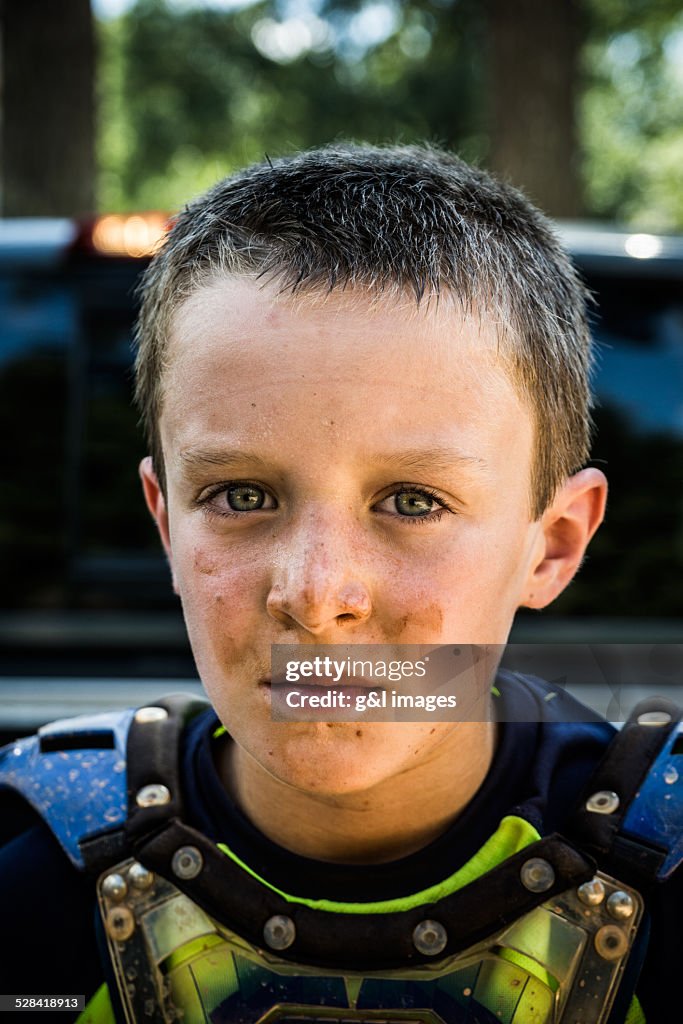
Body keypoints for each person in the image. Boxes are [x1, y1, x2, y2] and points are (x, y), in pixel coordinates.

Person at [0, 144, 680, 1024]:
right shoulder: (32, 888)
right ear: (166, 523)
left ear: (550, 545)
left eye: (412, 500)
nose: (318, 595)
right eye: (240, 496)